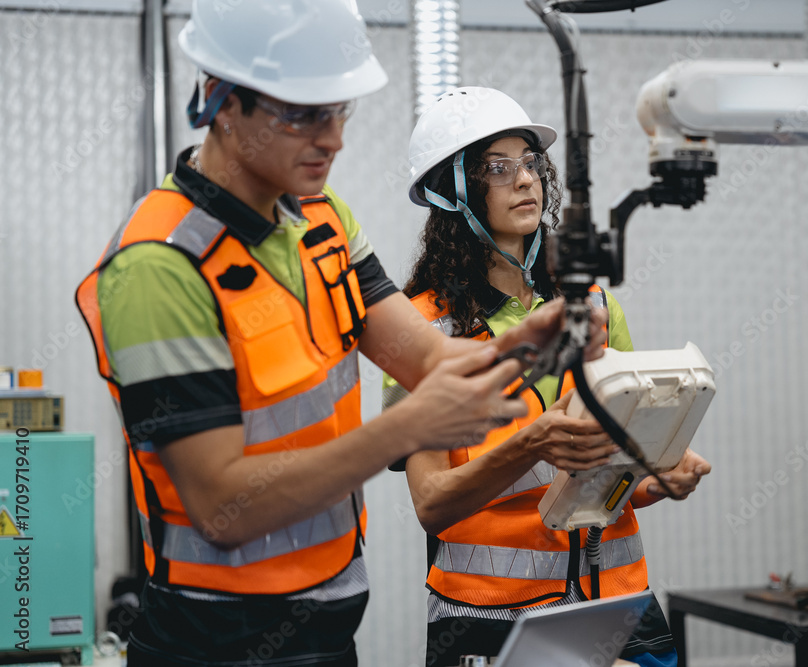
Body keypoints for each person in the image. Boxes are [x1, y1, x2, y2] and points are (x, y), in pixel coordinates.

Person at [74, 5, 603, 666]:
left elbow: (431, 358)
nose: (333, 138)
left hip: (328, 621)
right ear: (221, 102)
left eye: (339, 110)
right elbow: (220, 505)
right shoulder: (158, 266)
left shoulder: (324, 222)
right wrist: (409, 428)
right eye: (303, 114)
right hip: (212, 636)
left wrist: (532, 343)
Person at [383, 87, 712, 667]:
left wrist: (654, 479)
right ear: (452, 190)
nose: (526, 181)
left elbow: (610, 481)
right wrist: (530, 442)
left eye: (531, 164)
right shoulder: (418, 329)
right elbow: (431, 504)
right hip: (489, 615)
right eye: (497, 168)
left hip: (618, 602)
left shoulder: (596, 309)